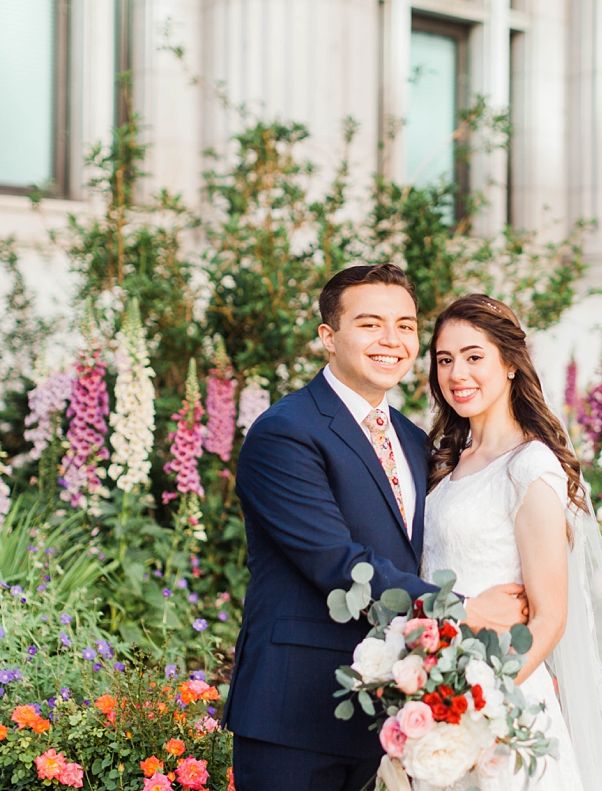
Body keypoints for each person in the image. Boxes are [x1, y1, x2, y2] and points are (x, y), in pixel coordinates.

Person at [221, 265, 529, 791]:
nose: (392, 340)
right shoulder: (284, 432)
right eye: (370, 324)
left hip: (390, 713)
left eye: (406, 326)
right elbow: (336, 564)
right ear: (328, 337)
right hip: (295, 712)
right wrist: (466, 609)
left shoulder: (413, 440)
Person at [420, 294, 602, 791]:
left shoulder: (529, 467)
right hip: (432, 694)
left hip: (498, 707)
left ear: (510, 364)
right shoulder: (446, 463)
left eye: (474, 356)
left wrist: (480, 708)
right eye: (445, 360)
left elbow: (550, 618)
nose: (457, 373)